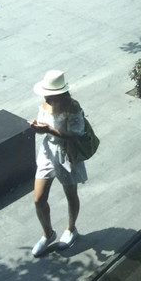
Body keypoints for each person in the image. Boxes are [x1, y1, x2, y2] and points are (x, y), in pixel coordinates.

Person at [28, 69, 87, 257]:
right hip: (47, 152)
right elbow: (44, 125)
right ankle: (48, 234)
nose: (46, 96)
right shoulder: (45, 103)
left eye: (49, 93)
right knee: (38, 199)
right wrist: (38, 127)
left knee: (71, 194)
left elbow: (76, 135)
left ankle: (71, 229)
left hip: (66, 154)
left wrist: (49, 130)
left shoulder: (73, 107)